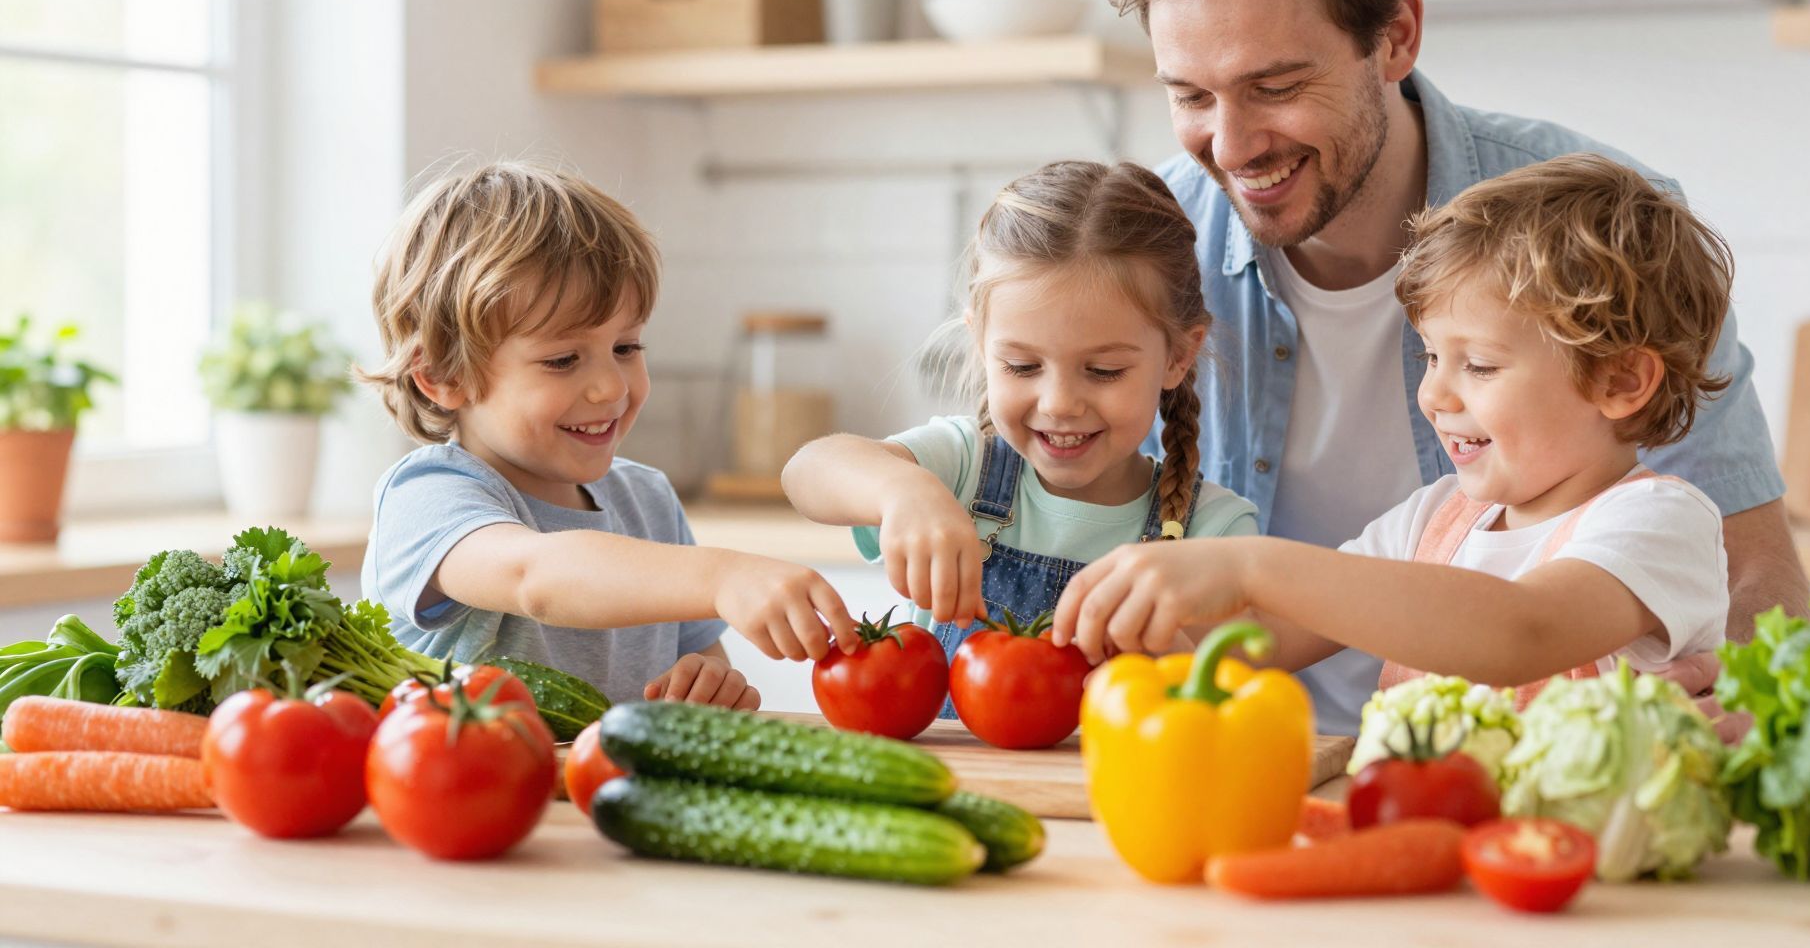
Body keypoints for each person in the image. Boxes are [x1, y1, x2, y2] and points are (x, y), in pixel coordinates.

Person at [1099, 0, 1809, 734]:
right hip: (1279, 767)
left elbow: (1751, 572)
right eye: (1192, 96)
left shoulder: (1600, 239)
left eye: (1274, 86)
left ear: (1396, 36)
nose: (1229, 148)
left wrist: (1734, 700)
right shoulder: (1142, 242)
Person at [1055, 155, 1732, 704]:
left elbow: (1521, 631)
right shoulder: (1436, 519)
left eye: (1480, 365)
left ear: (1620, 382)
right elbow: (1267, 634)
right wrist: (1143, 627)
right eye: (1433, 356)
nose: (1434, 393)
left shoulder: (1658, 523)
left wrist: (1251, 564)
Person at [359, 159, 859, 710]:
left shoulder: (647, 500)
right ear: (443, 377)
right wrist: (723, 572)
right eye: (563, 359)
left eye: (626, 348)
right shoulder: (426, 497)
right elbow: (536, 576)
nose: (609, 387)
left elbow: (701, 656)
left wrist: (708, 681)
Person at [782, 160, 1258, 678]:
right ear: (981, 346)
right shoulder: (961, 467)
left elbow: (1229, 679)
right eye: (1023, 366)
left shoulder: (1214, 529)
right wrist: (902, 491)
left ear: (1178, 358)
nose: (1058, 403)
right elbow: (807, 470)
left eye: (1103, 370)